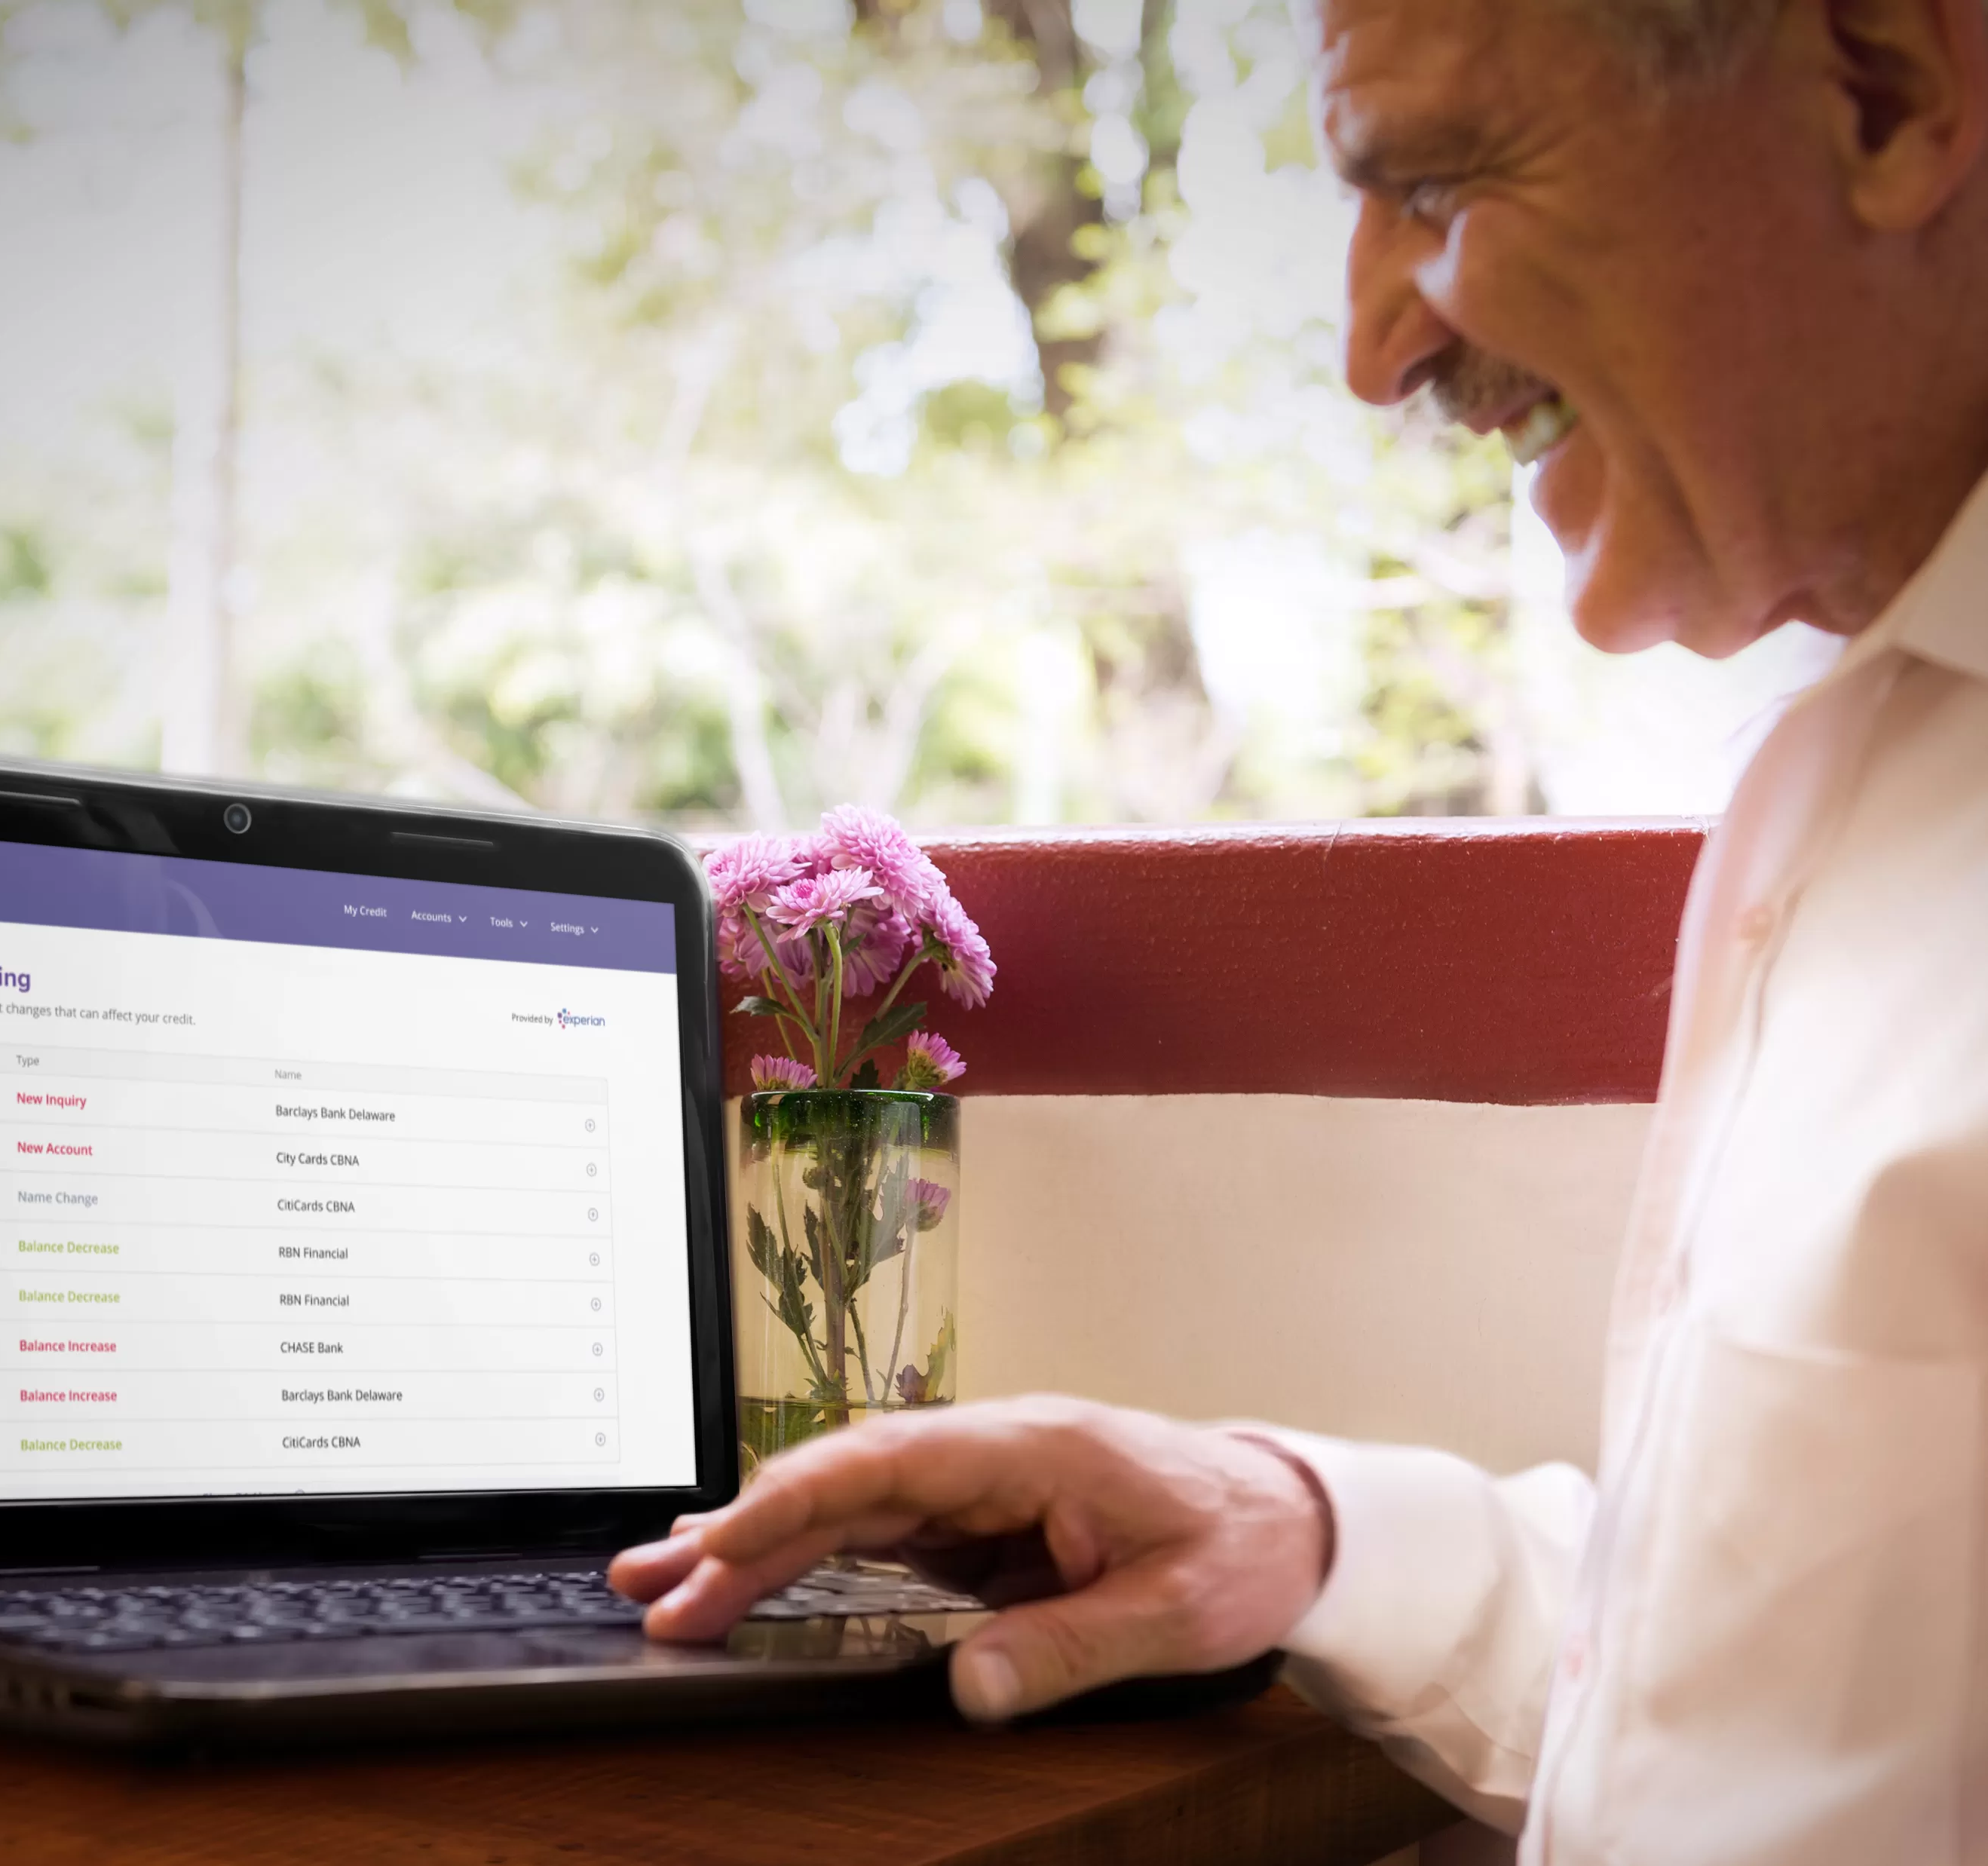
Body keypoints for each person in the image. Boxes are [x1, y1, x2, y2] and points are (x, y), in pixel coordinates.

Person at [610, 0, 1988, 1857]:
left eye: (1435, 179)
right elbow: (1796, 1673)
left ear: (1882, 95)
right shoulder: (1871, 771)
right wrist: (1298, 1524)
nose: (1369, 347)